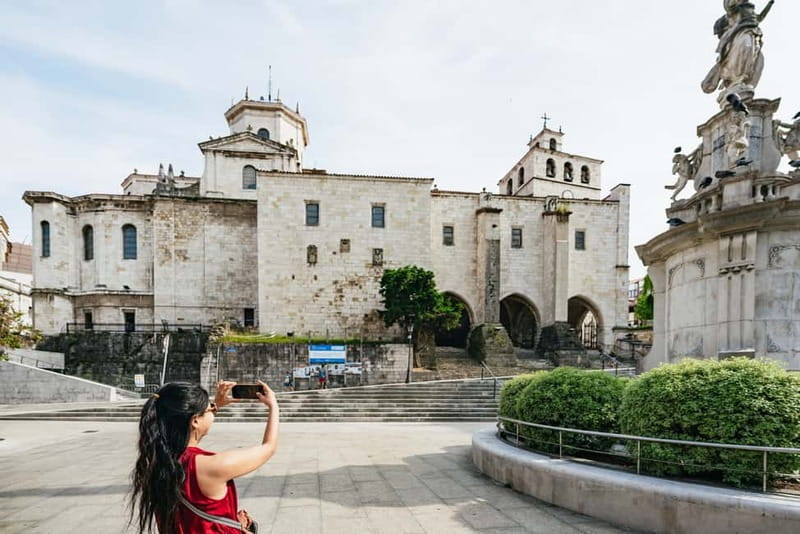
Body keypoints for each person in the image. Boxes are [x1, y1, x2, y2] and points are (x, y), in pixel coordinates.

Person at [129, 380, 279, 533]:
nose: (213, 410)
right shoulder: (211, 466)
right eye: (209, 408)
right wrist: (273, 406)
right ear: (195, 420)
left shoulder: (156, 460)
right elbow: (268, 448)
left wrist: (215, 405)